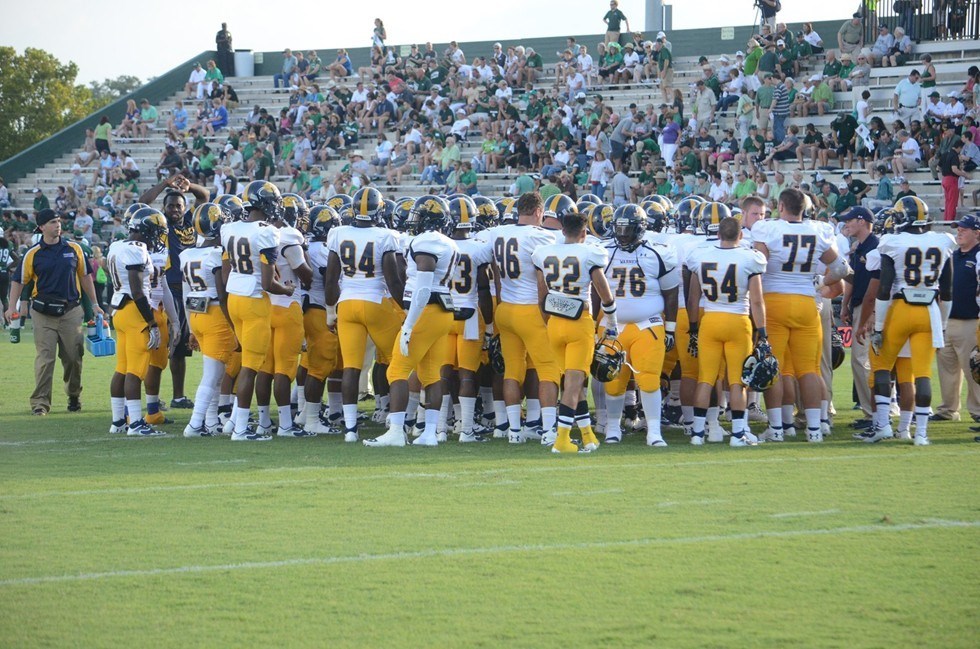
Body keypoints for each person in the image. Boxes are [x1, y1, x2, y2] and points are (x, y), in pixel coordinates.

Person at [752, 188, 850, 442]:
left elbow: (757, 265)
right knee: (809, 369)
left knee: (776, 368)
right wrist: (820, 282)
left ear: (781, 207)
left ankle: (777, 428)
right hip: (806, 303)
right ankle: (815, 429)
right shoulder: (818, 230)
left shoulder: (767, 229)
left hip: (775, 302)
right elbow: (842, 269)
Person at [364, 196, 459, 448]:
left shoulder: (426, 242)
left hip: (425, 311)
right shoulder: (448, 242)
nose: (413, 220)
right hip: (442, 312)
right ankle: (429, 433)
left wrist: (408, 325)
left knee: (396, 370)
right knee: (431, 374)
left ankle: (396, 431)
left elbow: (424, 288)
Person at [868, 199, 955, 445]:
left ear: (901, 218)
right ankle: (921, 434)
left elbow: (884, 289)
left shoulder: (892, 242)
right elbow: (947, 291)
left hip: (900, 308)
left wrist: (878, 326)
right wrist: (943, 325)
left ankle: (883, 425)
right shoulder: (943, 241)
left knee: (882, 367)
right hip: (929, 312)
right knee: (923, 374)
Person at [531, 208, 616, 453]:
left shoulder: (543, 253)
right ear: (584, 233)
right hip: (579, 322)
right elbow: (603, 291)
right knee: (574, 384)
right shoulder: (590, 252)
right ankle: (561, 441)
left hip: (554, 322)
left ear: (563, 231)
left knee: (572, 384)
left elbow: (541, 293)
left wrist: (547, 322)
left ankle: (588, 437)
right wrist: (611, 320)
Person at [4, 209, 104, 415]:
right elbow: (19, 280)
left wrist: (95, 304)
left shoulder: (74, 248)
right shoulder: (32, 253)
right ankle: (40, 403)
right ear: (41, 227)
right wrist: (12, 306)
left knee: (73, 357)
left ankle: (73, 394)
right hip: (42, 313)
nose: (57, 225)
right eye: (52, 222)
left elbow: (85, 276)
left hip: (71, 311)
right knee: (45, 359)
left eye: (58, 221)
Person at [323, 187, 404, 442]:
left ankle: (350, 429)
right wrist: (406, 308)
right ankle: (402, 419)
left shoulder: (338, 233)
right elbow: (393, 280)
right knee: (399, 361)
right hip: (376, 302)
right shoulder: (386, 236)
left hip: (347, 304)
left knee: (351, 367)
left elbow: (330, 279)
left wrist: (330, 311)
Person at [686, 209, 769, 447]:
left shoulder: (700, 256)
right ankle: (738, 434)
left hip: (710, 320)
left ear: (718, 234)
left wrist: (693, 327)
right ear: (740, 235)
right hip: (737, 321)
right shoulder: (750, 258)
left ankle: (697, 434)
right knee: (737, 381)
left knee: (705, 379)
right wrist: (762, 333)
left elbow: (693, 299)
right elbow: (757, 302)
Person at [221, 181, 295, 441]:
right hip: (254, 301)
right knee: (250, 367)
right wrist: (286, 290)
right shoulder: (266, 232)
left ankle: (235, 423)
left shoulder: (229, 228)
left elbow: (226, 272)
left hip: (234, 298)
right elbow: (267, 283)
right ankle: (240, 429)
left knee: (248, 364)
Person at [602, 203, 678, 446]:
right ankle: (612, 428)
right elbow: (594, 289)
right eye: (619, 228)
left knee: (649, 378)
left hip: (648, 324)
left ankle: (654, 431)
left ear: (640, 228)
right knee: (613, 379)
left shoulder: (657, 253)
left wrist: (671, 328)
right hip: (613, 326)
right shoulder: (603, 251)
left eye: (628, 229)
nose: (622, 234)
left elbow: (671, 293)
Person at [490, 192, 562, 443]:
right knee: (549, 369)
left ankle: (514, 431)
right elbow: (543, 280)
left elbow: (496, 274)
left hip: (506, 308)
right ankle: (549, 431)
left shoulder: (498, 233)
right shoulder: (540, 236)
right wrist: (546, 313)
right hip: (530, 309)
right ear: (539, 212)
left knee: (512, 370)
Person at [933, 214, 980, 422]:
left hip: (970, 321)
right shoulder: (951, 255)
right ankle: (948, 409)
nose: (959, 232)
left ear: (977, 233)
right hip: (947, 320)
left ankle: (978, 411)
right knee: (946, 370)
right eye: (958, 228)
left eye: (964, 229)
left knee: (973, 369)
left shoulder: (978, 256)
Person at [941, 139, 970, 220]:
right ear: (959, 147)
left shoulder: (945, 154)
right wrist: (965, 175)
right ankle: (950, 220)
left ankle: (946, 219)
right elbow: (954, 169)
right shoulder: (954, 155)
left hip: (945, 179)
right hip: (952, 180)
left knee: (948, 201)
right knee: (952, 202)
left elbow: (938, 167)